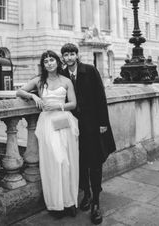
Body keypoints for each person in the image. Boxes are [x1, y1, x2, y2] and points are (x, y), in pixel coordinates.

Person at [16, 50, 79, 219]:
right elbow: (19, 92)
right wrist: (33, 97)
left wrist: (58, 107)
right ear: (43, 65)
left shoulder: (66, 81)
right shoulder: (39, 80)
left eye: (52, 60)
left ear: (58, 62)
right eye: (46, 61)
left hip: (64, 121)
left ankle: (69, 202)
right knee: (54, 161)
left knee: (67, 161)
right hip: (47, 124)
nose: (49, 63)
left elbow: (73, 103)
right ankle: (55, 204)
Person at [61, 43, 116, 225]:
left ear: (77, 56)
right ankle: (86, 193)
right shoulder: (62, 75)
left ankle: (96, 203)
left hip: (92, 125)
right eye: (66, 55)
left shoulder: (90, 70)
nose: (69, 58)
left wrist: (103, 123)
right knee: (80, 162)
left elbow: (101, 97)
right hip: (73, 126)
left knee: (95, 162)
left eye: (71, 54)